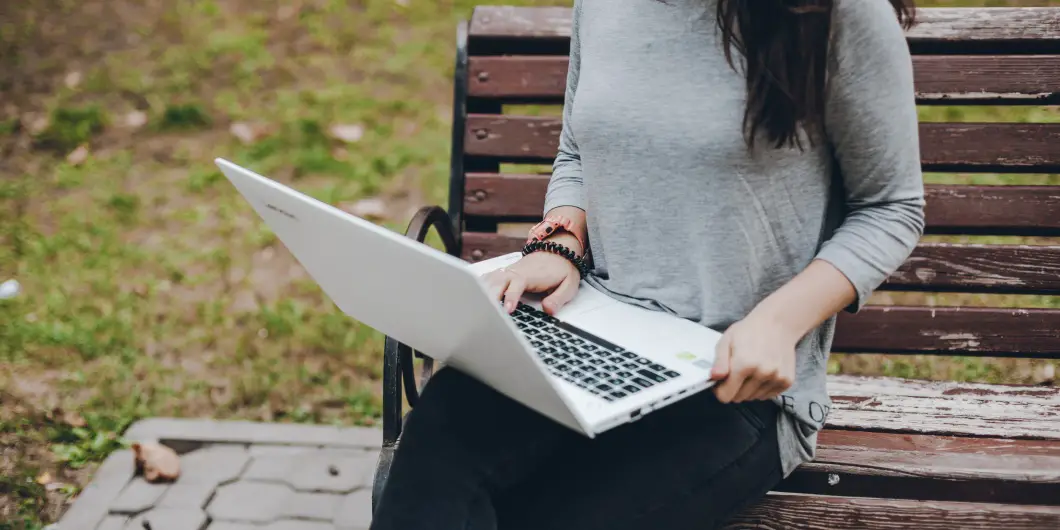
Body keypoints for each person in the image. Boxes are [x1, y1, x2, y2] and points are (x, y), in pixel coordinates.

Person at [371, 0, 924, 528]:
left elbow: (891, 208)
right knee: (437, 447)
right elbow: (578, 149)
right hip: (593, 333)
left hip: (730, 381)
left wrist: (777, 322)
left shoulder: (835, 14)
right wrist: (560, 241)